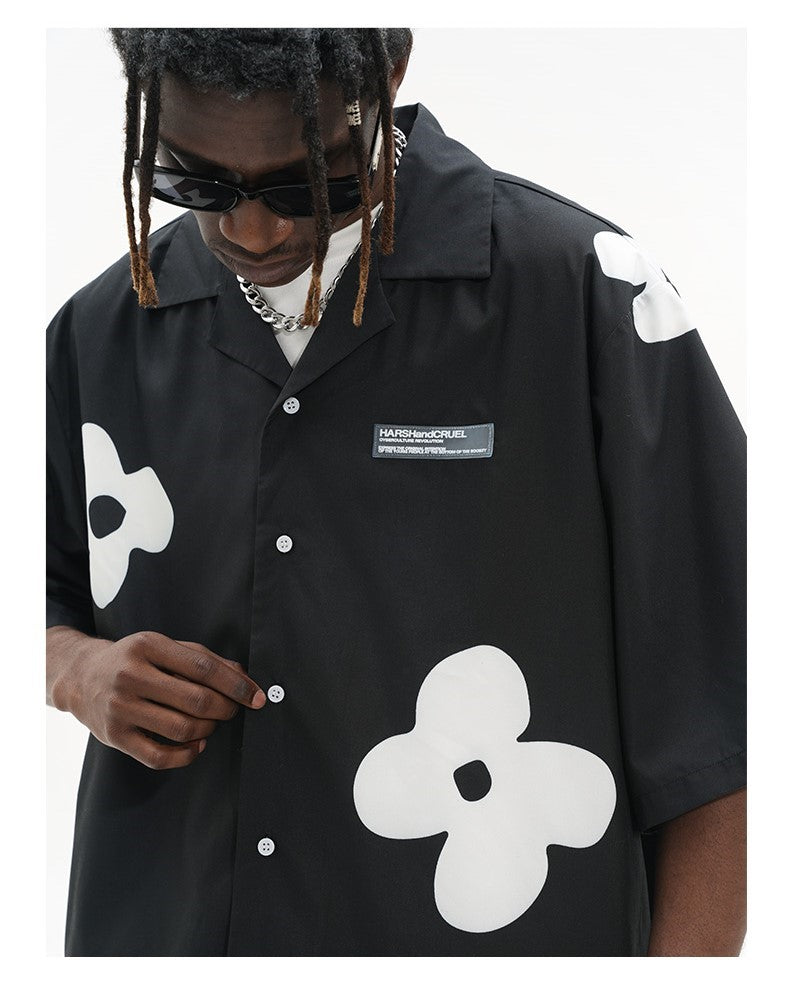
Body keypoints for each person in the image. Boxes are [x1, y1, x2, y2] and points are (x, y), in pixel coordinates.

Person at [46, 28, 746, 956]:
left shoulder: (586, 296)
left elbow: (726, 704)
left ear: (389, 74)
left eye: (307, 183)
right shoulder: (97, 332)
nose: (252, 233)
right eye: (198, 184)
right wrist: (75, 670)